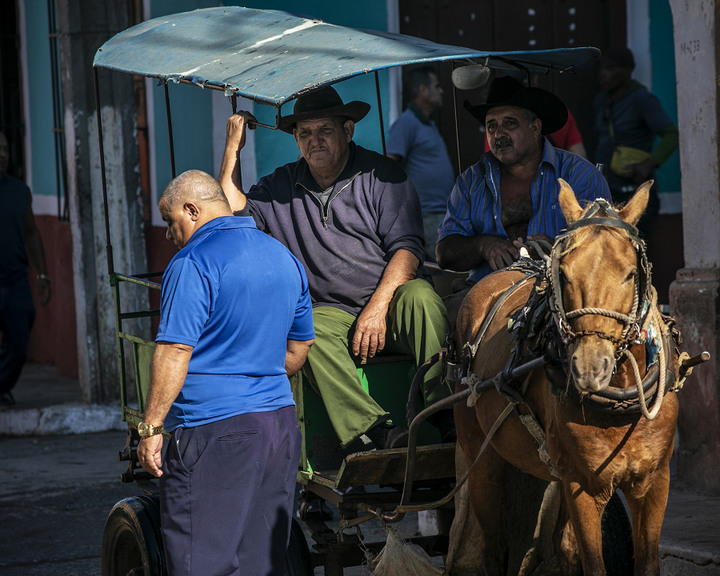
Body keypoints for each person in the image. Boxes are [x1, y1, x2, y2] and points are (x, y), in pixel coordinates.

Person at [219, 85, 453, 449]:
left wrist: (377, 309)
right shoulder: (280, 185)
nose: (315, 141)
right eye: (305, 133)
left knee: (423, 297)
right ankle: (377, 431)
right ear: (296, 140)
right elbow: (229, 215)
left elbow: (407, 250)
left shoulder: (383, 176)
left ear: (347, 131)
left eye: (325, 130)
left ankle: (446, 414)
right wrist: (232, 148)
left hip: (392, 304)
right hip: (334, 314)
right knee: (305, 330)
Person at [136, 170, 315, 575]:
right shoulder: (283, 257)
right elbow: (299, 348)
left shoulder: (192, 262)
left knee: (202, 563)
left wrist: (151, 428)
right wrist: (256, 372)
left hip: (213, 433)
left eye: (171, 221)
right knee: (263, 565)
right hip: (280, 431)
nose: (169, 233)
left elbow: (175, 349)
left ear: (193, 209)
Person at [435, 76, 611, 321]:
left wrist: (557, 250)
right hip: (485, 298)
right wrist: (483, 245)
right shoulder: (470, 182)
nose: (499, 134)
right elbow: (444, 254)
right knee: (443, 318)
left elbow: (604, 249)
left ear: (535, 127)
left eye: (510, 123)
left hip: (562, 296)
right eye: (492, 126)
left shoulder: (579, 175)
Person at [593, 47, 678, 233]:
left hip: (634, 191)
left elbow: (671, 136)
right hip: (608, 191)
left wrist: (648, 164)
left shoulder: (642, 100)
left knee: (635, 249)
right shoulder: (601, 100)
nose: (602, 74)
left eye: (609, 69)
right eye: (601, 69)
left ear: (627, 70)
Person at [0, 130, 51, 406]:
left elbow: (32, 233)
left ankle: (1, 385)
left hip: (15, 280)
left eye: (5, 149)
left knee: (19, 346)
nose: (2, 154)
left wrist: (42, 274)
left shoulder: (19, 191)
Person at [387, 66, 456, 261]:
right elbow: (390, 166)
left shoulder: (428, 123)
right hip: (426, 215)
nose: (441, 91)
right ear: (423, 90)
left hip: (441, 213)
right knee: (444, 266)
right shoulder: (406, 123)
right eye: (436, 86)